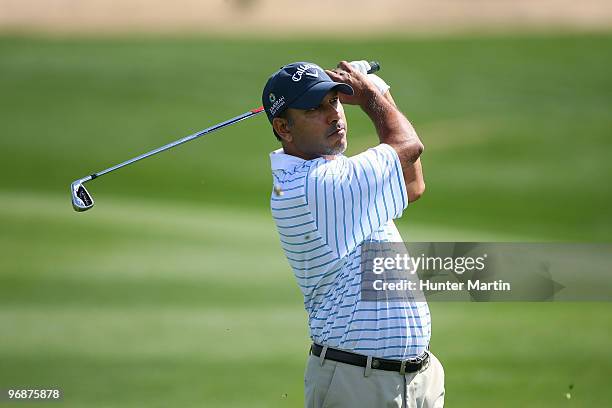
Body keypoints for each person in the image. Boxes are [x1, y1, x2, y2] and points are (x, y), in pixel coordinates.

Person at [262, 60, 445, 407]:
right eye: (315, 108)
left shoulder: (332, 174)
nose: (334, 115)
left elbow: (413, 183)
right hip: (358, 384)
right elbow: (408, 145)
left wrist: (377, 89)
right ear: (284, 128)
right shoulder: (316, 187)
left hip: (414, 381)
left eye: (333, 101)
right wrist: (372, 94)